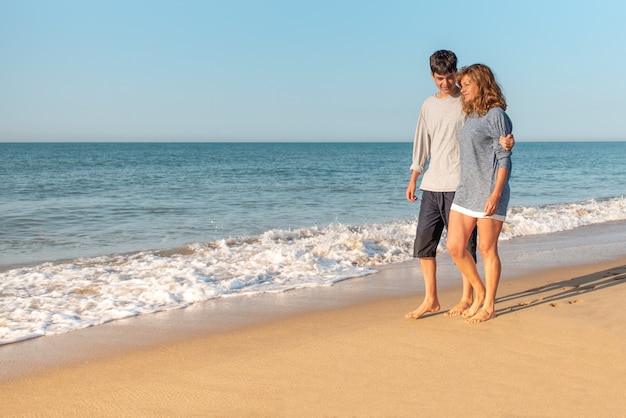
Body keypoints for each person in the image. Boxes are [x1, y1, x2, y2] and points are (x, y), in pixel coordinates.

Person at [405, 50, 513, 320]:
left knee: (478, 247)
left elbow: (501, 147)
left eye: (455, 79)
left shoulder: (480, 109)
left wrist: (508, 145)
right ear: (432, 77)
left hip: (470, 185)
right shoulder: (449, 107)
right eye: (441, 78)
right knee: (441, 246)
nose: (451, 84)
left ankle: (477, 300)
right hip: (445, 186)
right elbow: (424, 141)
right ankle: (445, 297)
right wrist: (415, 175)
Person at [445, 63, 513, 324]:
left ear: (482, 84)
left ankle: (490, 305)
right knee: (454, 247)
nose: (462, 88)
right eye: (461, 85)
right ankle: (480, 291)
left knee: (486, 248)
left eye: (467, 84)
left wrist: (496, 194)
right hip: (465, 191)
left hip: (488, 190)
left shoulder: (496, 115)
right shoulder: (471, 115)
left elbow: (505, 158)